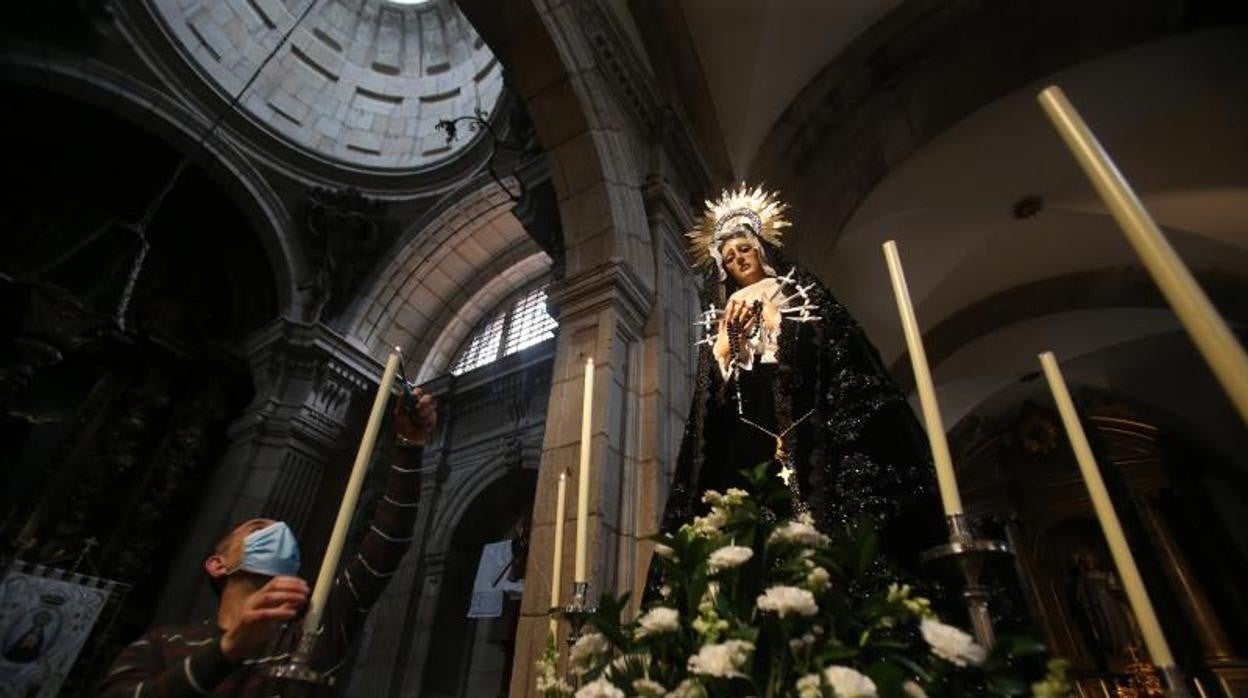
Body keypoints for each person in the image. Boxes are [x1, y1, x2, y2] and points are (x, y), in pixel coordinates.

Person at [659, 185, 940, 560]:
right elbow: (716, 391)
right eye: (728, 257)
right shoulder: (726, 309)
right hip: (750, 418)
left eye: (743, 248)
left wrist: (783, 326)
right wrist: (728, 351)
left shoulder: (796, 289)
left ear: (760, 247)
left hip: (804, 408)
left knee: (821, 496)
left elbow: (832, 344)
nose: (738, 259)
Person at [98, 385, 436, 697]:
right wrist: (228, 650)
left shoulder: (313, 631)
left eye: (284, 532)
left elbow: (387, 544)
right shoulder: (164, 643)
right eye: (259, 527)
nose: (278, 534)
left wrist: (409, 445)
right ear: (218, 564)